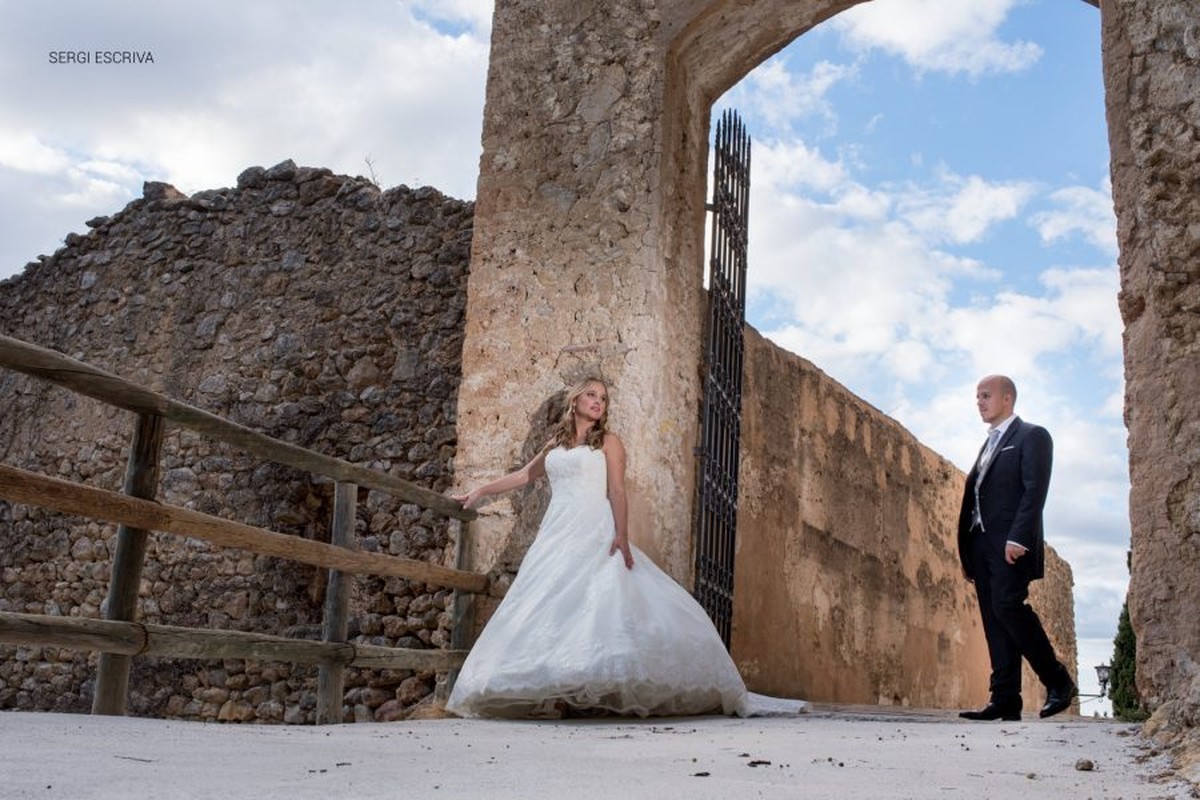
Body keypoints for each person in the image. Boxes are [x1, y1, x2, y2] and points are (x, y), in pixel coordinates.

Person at [445, 377, 802, 718]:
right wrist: (480, 491)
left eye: (603, 398)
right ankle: (551, 692)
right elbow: (523, 476)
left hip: (594, 525)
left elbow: (617, 490)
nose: (598, 402)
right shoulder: (555, 444)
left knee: (598, 599)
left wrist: (621, 535)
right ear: (575, 401)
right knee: (549, 601)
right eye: (591, 396)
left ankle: (576, 692)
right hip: (557, 529)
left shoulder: (609, 442)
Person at [956, 374, 1076, 721]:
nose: (979, 402)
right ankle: (1005, 698)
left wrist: (1019, 537)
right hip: (980, 545)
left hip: (1010, 544)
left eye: (985, 395)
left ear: (1007, 399)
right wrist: (969, 551)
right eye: (977, 396)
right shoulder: (988, 444)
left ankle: (1057, 680)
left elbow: (1033, 491)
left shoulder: (1032, 436)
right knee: (994, 618)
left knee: (1009, 606)